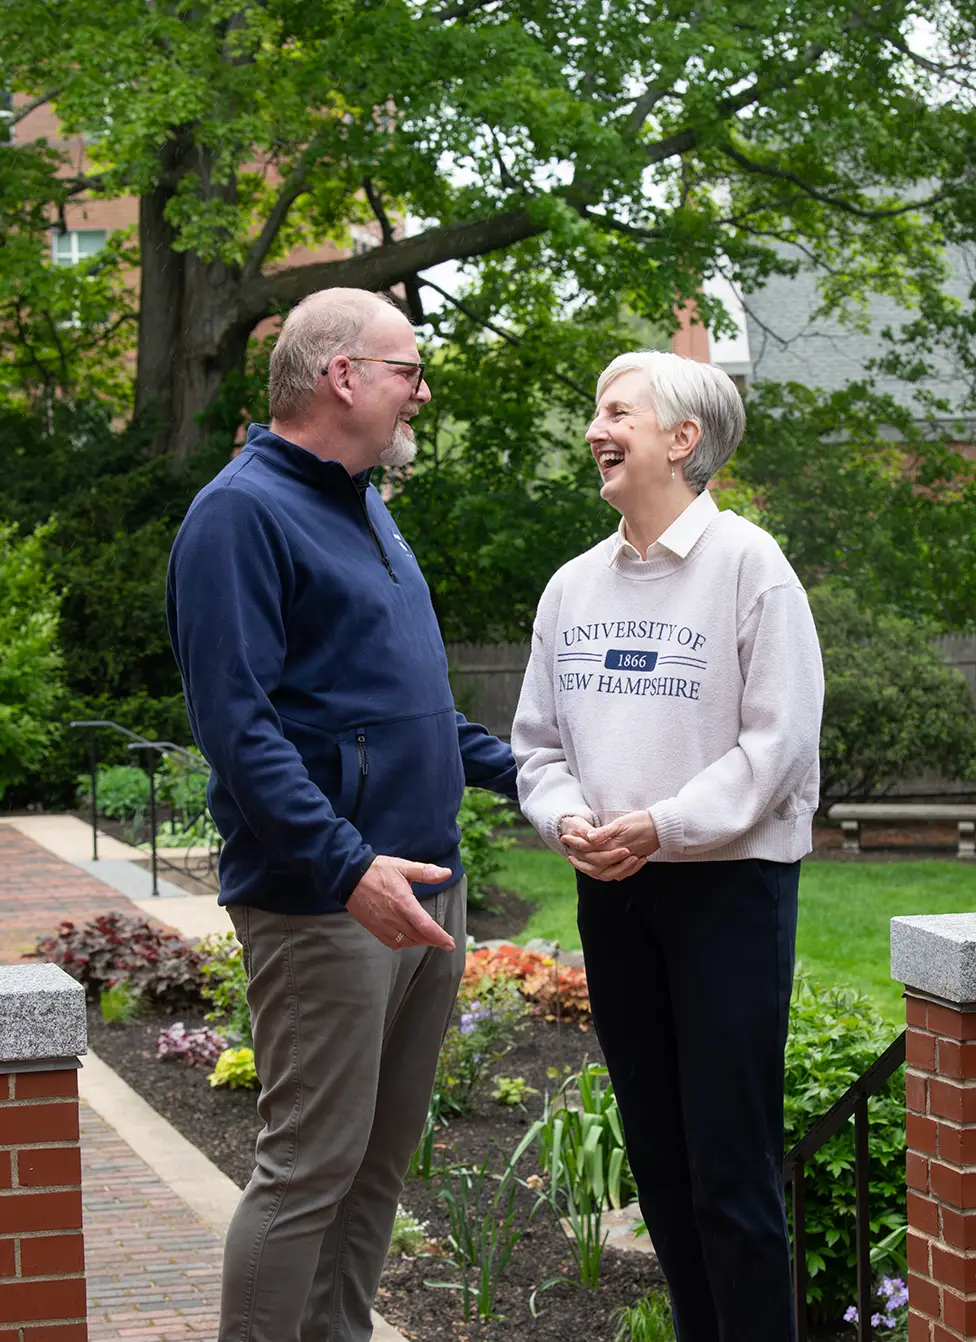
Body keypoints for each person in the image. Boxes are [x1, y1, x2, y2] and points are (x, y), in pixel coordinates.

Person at [165, 287, 517, 1342]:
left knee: (374, 1168)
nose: (420, 389)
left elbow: (410, 709)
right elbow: (239, 725)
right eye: (407, 368)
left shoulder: (365, 505)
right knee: (307, 1170)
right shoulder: (240, 513)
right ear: (342, 377)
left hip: (423, 895)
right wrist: (346, 866)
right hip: (328, 904)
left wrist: (532, 774)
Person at [511, 350, 824, 1342]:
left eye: (617, 413)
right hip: (613, 892)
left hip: (727, 891)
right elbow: (538, 744)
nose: (597, 431)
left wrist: (666, 824)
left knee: (730, 1166)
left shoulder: (749, 567)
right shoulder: (571, 588)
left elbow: (776, 746)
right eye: (596, 412)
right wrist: (563, 815)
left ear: (682, 440)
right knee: (659, 1158)